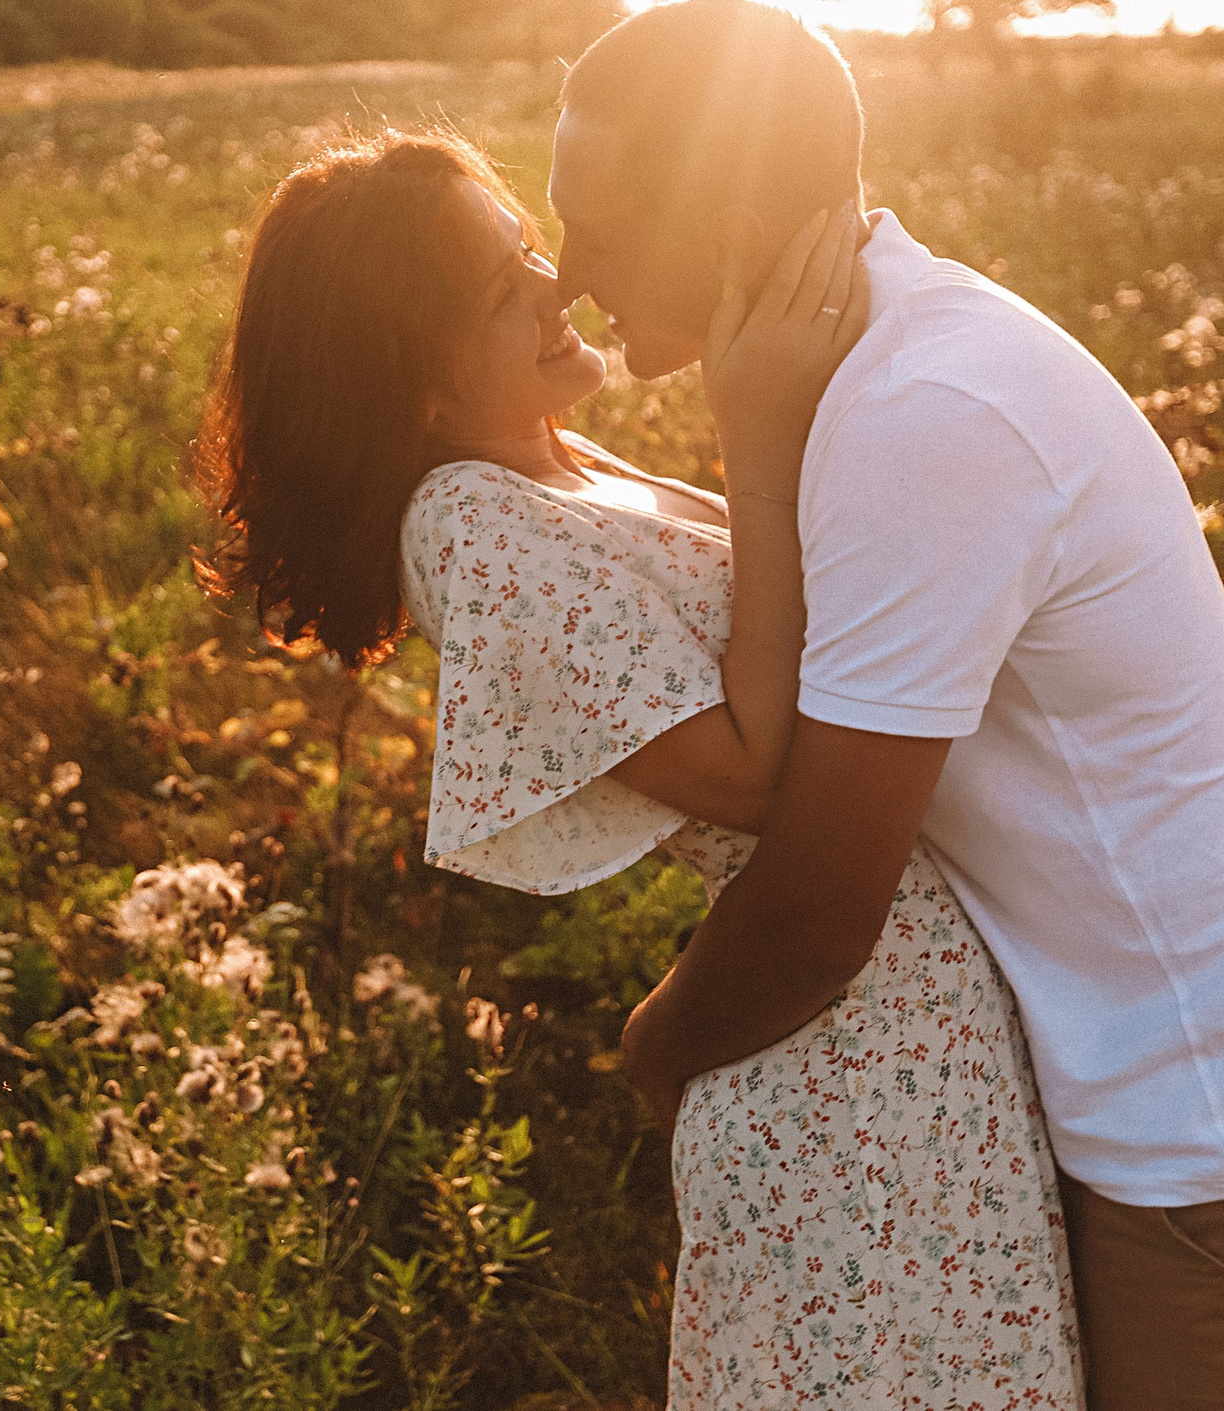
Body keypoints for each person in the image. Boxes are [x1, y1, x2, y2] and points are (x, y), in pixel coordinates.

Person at [548, 0, 1224, 1410]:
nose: (569, 272)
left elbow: (822, 905)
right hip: (1155, 1101)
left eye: (601, 227)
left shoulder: (921, 415)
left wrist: (654, 1046)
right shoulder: (890, 364)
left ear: (722, 229)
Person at [195, 125, 1085, 1407]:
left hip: (903, 1024)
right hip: (844, 1072)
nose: (558, 283)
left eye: (526, 250)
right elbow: (747, 772)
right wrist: (758, 436)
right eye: (506, 294)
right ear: (416, 390)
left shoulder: (554, 463)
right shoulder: (468, 526)